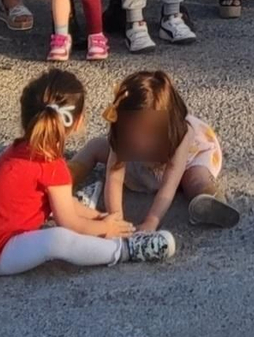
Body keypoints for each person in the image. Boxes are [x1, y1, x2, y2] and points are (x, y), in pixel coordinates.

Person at [0, 69, 175, 275]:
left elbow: (61, 202)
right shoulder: (53, 167)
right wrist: (105, 228)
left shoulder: (20, 148)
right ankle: (125, 250)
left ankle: (104, 227)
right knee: (58, 239)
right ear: (78, 122)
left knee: (62, 209)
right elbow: (69, 222)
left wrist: (97, 217)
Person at [69, 69, 240, 231]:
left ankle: (211, 201)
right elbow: (114, 176)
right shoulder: (124, 131)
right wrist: (116, 217)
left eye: (148, 133)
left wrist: (151, 221)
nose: (141, 142)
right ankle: (66, 178)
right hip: (140, 162)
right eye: (134, 133)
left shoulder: (180, 134)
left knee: (193, 179)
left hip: (187, 160)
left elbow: (169, 184)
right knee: (96, 146)